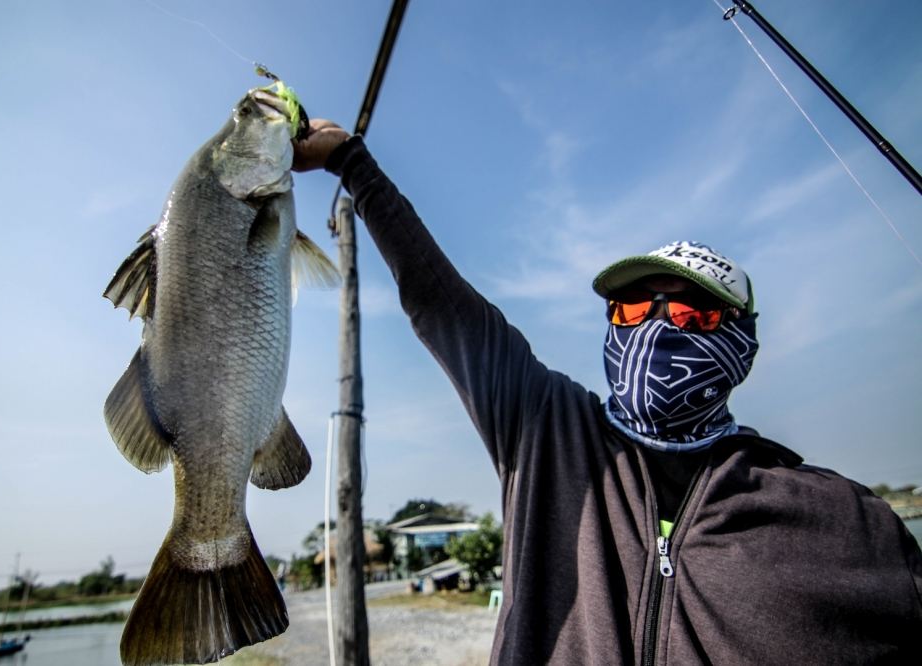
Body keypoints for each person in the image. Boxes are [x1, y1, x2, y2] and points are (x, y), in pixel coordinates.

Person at [293, 121, 922, 664]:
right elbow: (443, 305)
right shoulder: (545, 429)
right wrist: (352, 161)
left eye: (691, 316)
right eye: (629, 310)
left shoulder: (846, 522)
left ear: (742, 347)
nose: (653, 328)